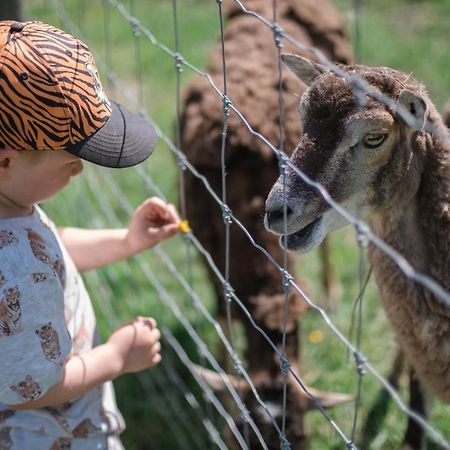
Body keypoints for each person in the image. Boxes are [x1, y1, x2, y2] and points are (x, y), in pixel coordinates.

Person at [0, 20, 180, 449]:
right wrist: (116, 357)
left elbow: (50, 248)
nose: (80, 169)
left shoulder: (11, 212)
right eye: (70, 160)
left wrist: (127, 241)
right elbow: (31, 388)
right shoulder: (14, 269)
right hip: (49, 436)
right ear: (6, 161)